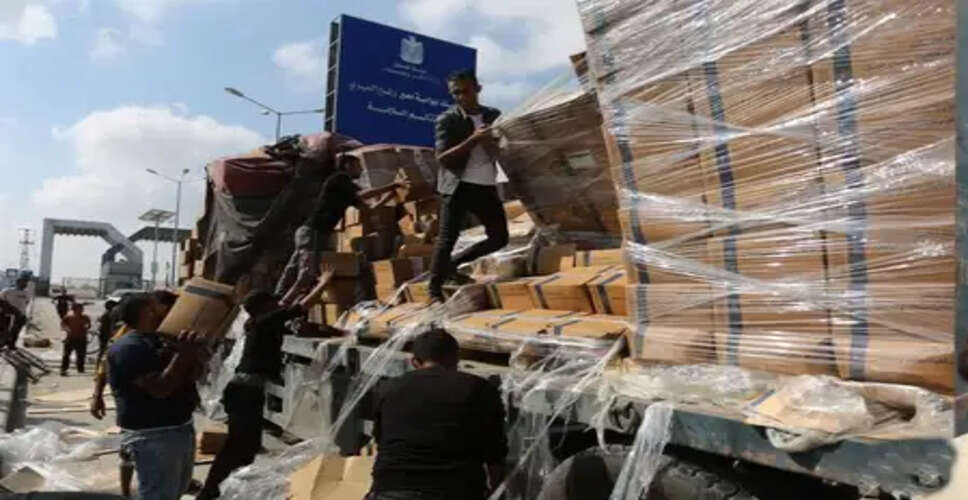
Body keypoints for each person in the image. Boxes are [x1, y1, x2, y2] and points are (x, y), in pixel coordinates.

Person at [196, 289, 313, 499]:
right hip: (245, 393)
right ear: (264, 307)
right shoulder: (264, 322)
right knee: (239, 446)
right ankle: (211, 491)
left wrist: (302, 282)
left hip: (245, 391)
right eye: (272, 303)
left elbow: (285, 306)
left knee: (246, 446)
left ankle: (228, 489)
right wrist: (323, 283)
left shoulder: (258, 321)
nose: (278, 305)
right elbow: (299, 307)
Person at [367, 329, 508, 500]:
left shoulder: (387, 389)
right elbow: (495, 453)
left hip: (392, 490)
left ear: (414, 362)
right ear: (456, 359)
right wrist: (496, 491)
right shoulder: (479, 389)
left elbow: (382, 441)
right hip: (456, 491)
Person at [106, 292, 207, 500]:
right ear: (147, 312)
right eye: (159, 305)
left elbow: (192, 375)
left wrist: (195, 354)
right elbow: (160, 389)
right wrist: (183, 354)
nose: (171, 310)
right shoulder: (129, 348)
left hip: (180, 428)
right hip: (154, 435)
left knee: (175, 492)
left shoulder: (162, 340)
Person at [275, 155, 406, 305]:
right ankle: (283, 304)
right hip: (314, 232)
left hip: (310, 233)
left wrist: (389, 196)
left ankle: (278, 298)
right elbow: (363, 194)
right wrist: (392, 185)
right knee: (307, 272)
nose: (361, 170)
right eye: (358, 166)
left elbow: (368, 209)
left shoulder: (347, 188)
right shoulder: (340, 178)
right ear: (348, 165)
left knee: (295, 268)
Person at [429, 69, 509, 303]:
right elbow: (443, 158)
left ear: (478, 89)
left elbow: (503, 147)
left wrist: (494, 143)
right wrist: (473, 140)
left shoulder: (493, 115)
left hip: (486, 185)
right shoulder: (448, 119)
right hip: (457, 186)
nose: (460, 97)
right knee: (447, 240)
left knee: (499, 237)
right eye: (455, 93)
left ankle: (453, 265)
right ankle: (434, 290)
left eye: (465, 91)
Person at [92, 290, 177, 498]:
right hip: (143, 423)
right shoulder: (127, 340)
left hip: (161, 423)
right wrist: (97, 395)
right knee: (129, 456)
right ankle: (125, 492)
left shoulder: (160, 336)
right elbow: (105, 365)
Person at [60, 302, 91, 376]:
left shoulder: (85, 317)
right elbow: (63, 325)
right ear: (74, 310)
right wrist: (67, 329)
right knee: (66, 354)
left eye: (81, 309)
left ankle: (80, 368)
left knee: (81, 354)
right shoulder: (68, 317)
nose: (80, 311)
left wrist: (86, 326)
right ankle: (64, 368)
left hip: (81, 338)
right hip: (70, 338)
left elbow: (88, 325)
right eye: (78, 309)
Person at [0, 276, 31, 347]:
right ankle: (3, 343)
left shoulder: (27, 293)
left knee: (16, 330)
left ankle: (12, 345)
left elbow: (27, 302)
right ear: (17, 282)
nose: (25, 284)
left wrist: (22, 312)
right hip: (7, 315)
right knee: (5, 330)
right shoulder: (8, 291)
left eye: (26, 283)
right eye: (23, 282)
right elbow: (1, 301)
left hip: (20, 315)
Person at [96, 300, 120, 367]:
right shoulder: (109, 314)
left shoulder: (108, 313)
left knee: (103, 351)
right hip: (105, 335)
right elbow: (108, 326)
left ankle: (99, 365)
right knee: (103, 351)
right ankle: (99, 365)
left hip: (105, 335)